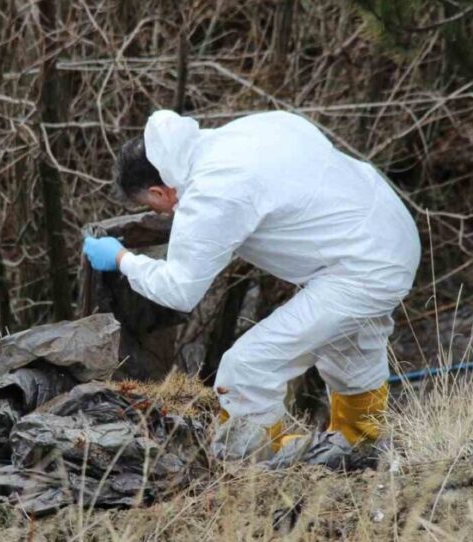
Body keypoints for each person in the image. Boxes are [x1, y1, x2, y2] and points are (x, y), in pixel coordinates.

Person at [83, 109, 420, 454]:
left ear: (157, 192)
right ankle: (361, 445)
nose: (162, 214)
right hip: (388, 228)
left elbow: (179, 290)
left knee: (245, 370)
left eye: (154, 208)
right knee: (349, 347)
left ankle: (257, 467)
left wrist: (122, 259)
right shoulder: (241, 135)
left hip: (363, 264)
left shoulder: (212, 193)